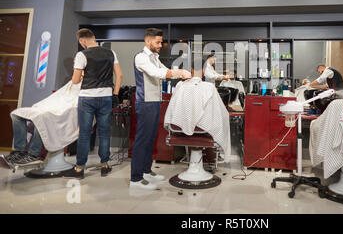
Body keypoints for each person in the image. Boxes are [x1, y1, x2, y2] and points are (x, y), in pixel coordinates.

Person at [130, 28, 191, 190]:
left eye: (161, 42)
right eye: (157, 42)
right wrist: (179, 72)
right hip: (145, 103)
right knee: (142, 139)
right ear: (148, 41)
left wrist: (180, 74)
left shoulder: (155, 57)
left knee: (151, 138)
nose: (160, 45)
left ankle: (146, 170)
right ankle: (135, 179)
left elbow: (164, 70)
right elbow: (157, 73)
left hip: (155, 102)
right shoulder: (141, 58)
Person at [63, 28, 123, 179]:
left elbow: (75, 80)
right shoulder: (111, 53)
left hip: (87, 98)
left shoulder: (81, 55)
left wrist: (82, 73)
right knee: (104, 133)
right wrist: (115, 94)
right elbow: (120, 75)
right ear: (94, 37)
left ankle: (79, 168)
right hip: (106, 97)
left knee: (84, 133)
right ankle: (105, 165)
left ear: (82, 40)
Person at [164, 57, 231, 162]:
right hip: (203, 129)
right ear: (204, 72)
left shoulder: (180, 85)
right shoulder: (209, 87)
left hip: (178, 128)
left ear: (190, 70)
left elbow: (172, 110)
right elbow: (220, 113)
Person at [2, 81, 81, 167]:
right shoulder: (70, 85)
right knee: (16, 114)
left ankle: (33, 154)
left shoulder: (86, 87)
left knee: (41, 118)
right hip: (47, 108)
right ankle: (19, 151)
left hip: (60, 112)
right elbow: (56, 98)